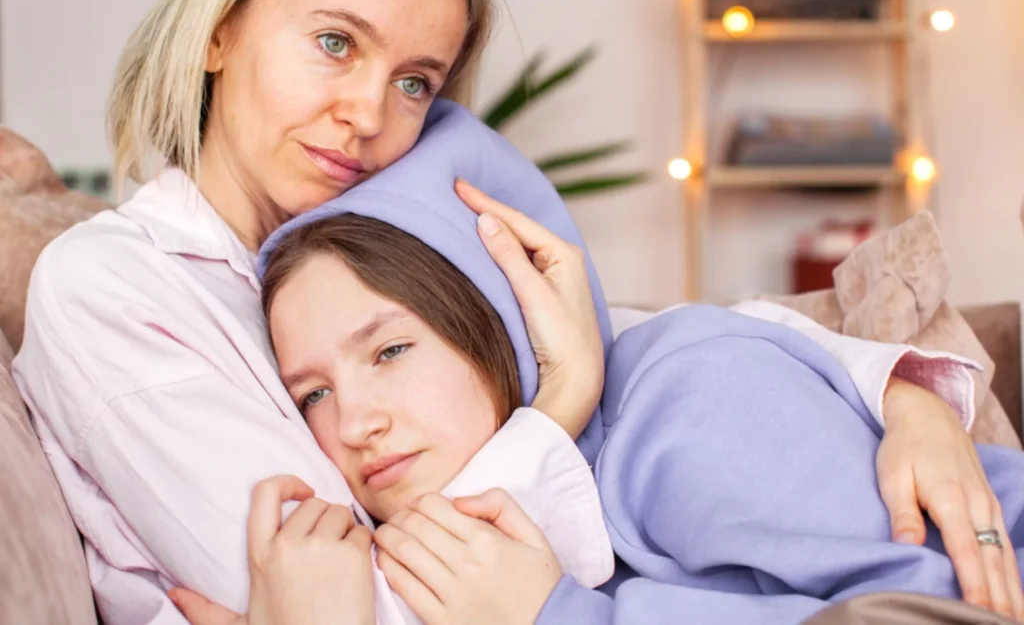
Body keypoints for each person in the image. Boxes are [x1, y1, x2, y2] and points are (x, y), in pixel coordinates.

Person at [7, 0, 1016, 621]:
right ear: (219, 27)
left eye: (416, 80)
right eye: (333, 41)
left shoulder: (369, 220)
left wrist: (894, 389)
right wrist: (562, 401)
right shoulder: (115, 285)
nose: (367, 111)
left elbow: (636, 346)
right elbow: (374, 604)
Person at [173, 100, 1022, 625]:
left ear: (501, 318)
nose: (354, 423)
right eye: (313, 391)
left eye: (391, 349)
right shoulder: (462, 522)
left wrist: (556, 617)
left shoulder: (685, 396)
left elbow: (938, 615)